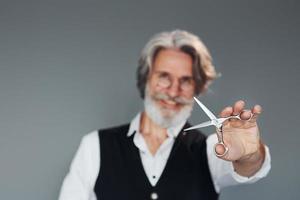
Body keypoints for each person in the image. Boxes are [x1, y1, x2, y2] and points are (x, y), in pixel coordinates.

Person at [58, 30, 271, 200]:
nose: (173, 90)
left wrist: (250, 155)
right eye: (164, 77)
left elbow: (246, 168)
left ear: (197, 88)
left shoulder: (211, 150)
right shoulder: (95, 146)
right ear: (146, 78)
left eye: (185, 80)